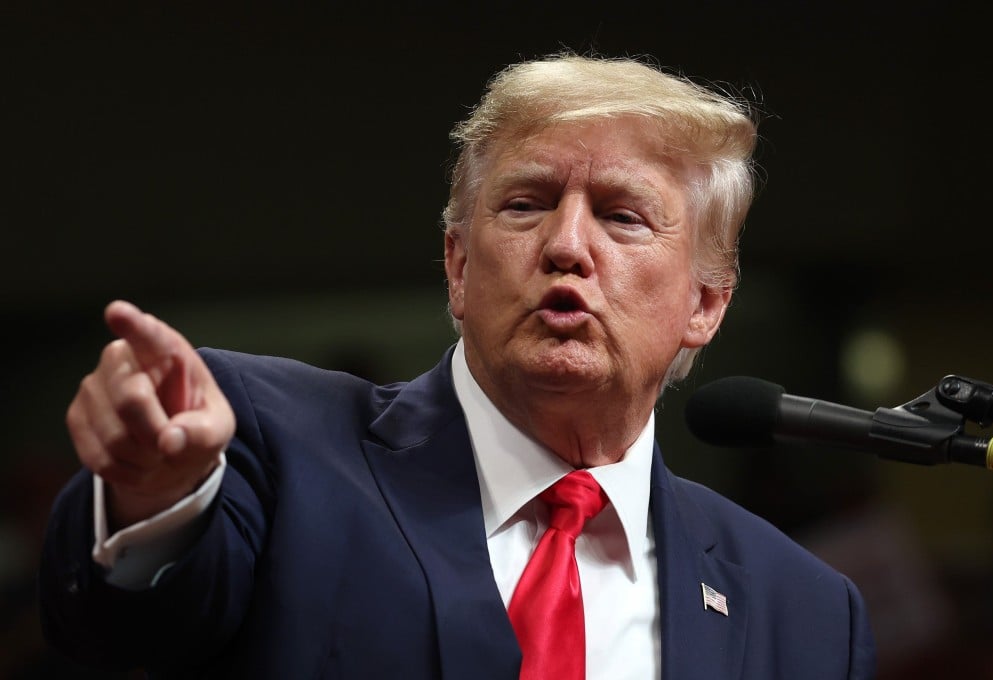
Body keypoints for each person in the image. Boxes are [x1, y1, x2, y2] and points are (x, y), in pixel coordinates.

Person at [40, 53, 876, 679]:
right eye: (525, 204)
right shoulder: (275, 446)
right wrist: (158, 491)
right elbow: (123, 637)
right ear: (459, 267)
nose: (565, 245)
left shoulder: (803, 611)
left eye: (622, 217)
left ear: (705, 304)